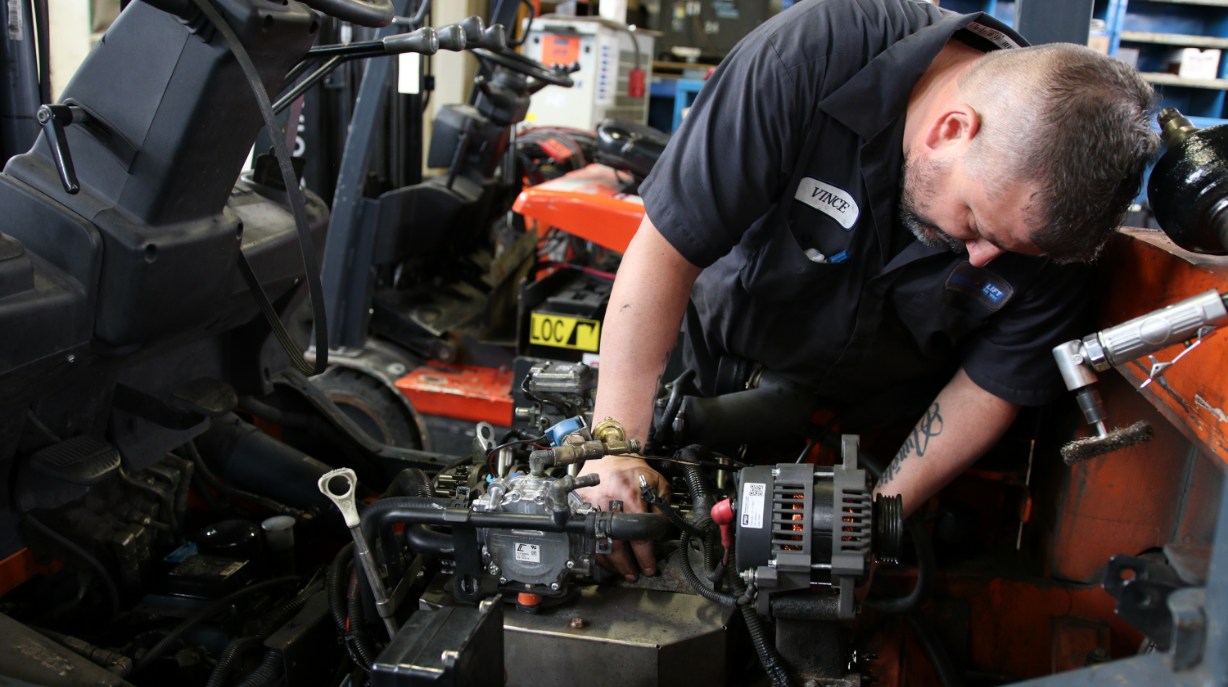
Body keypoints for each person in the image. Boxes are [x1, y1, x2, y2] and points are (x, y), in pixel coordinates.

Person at [576, 0, 1160, 581]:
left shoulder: (1060, 217)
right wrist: (616, 448)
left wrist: (868, 522)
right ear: (951, 130)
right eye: (977, 225)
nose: (984, 257)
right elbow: (664, 249)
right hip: (708, 375)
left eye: (1009, 250)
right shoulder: (809, 57)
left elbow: (988, 386)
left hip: (868, 440)